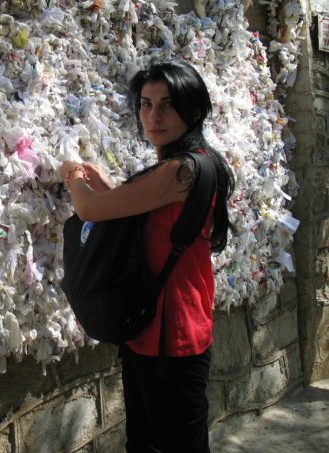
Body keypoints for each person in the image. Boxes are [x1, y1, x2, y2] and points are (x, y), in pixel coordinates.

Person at [60, 60, 235, 452]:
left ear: (193, 110)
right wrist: (105, 185)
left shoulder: (182, 171)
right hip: (153, 332)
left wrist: (72, 175)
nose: (154, 116)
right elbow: (143, 217)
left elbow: (89, 210)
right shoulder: (188, 165)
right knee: (144, 442)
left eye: (167, 104)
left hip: (171, 339)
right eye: (146, 104)